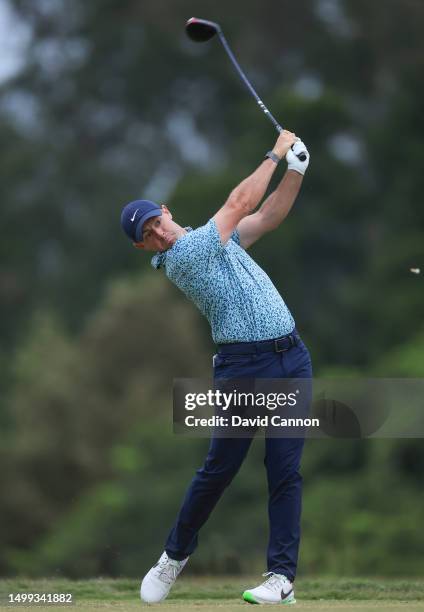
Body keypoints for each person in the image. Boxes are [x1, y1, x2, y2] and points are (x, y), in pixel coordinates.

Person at [120, 130, 312, 605]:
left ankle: (281, 578)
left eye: (154, 222)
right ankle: (172, 557)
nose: (157, 233)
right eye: (147, 236)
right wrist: (275, 151)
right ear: (145, 249)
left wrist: (297, 170)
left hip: (292, 359)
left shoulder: (216, 241)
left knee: (285, 470)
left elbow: (267, 215)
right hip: (243, 369)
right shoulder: (184, 257)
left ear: (165, 210)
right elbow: (241, 201)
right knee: (218, 471)